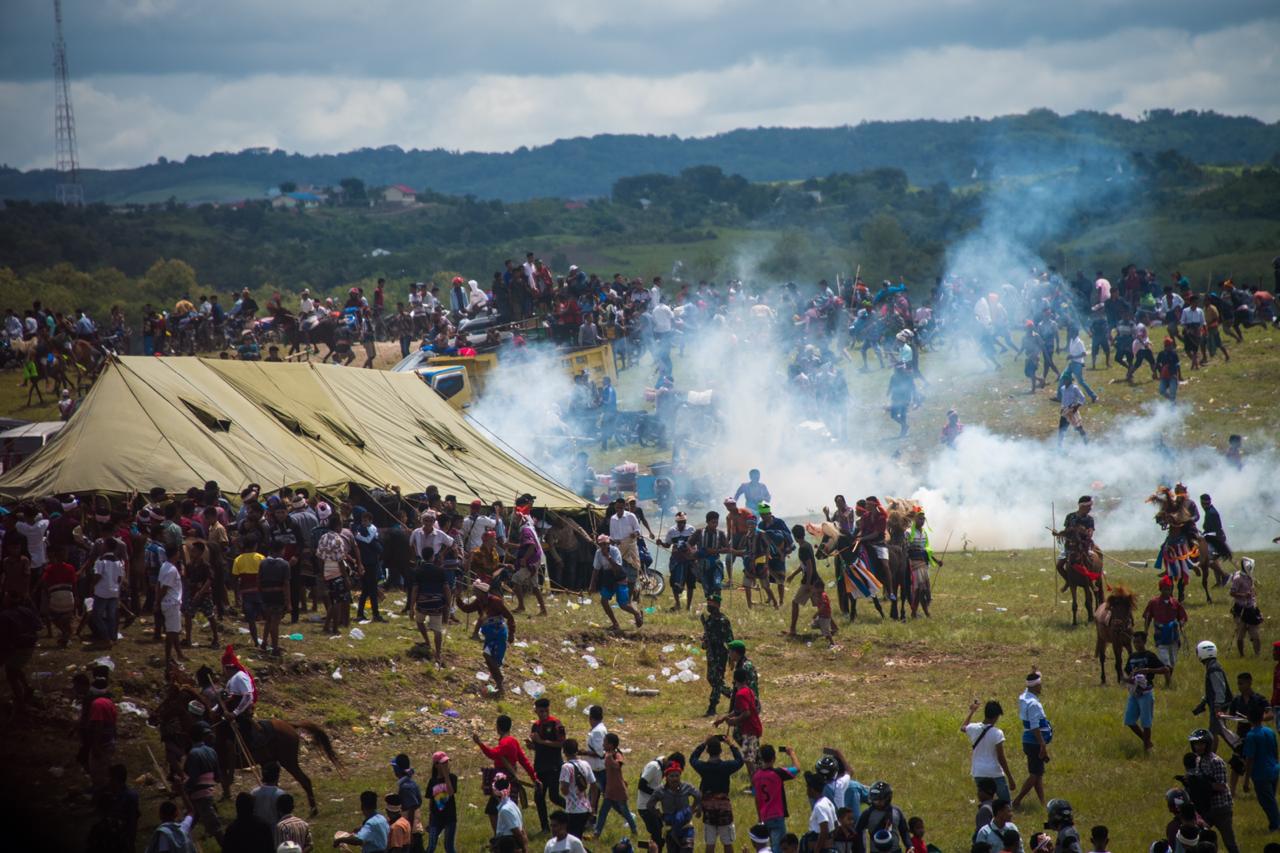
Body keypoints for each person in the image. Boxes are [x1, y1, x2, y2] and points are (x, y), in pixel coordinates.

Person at [471, 715, 539, 832]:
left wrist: (479, 743)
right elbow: (524, 761)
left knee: (493, 810)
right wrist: (534, 777)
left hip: (503, 781)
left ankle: (500, 836)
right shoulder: (513, 741)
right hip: (510, 778)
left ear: (498, 727)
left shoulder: (505, 742)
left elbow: (492, 754)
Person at [456, 580, 516, 694]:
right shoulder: (479, 602)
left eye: (476, 592)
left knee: (489, 656)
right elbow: (466, 609)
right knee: (489, 660)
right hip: (489, 634)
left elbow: (510, 617)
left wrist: (512, 633)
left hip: (499, 633)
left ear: (482, 593)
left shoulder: (496, 601)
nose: (475, 594)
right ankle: (499, 685)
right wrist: (458, 598)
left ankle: (500, 681)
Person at [1187, 729, 1239, 853]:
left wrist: (1203, 783)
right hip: (1206, 808)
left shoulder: (1216, 762)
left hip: (1221, 809)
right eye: (1195, 744)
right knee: (1199, 840)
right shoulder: (1198, 760)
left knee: (1229, 842)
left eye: (1201, 744)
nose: (1198, 747)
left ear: (1208, 744)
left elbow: (1222, 786)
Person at [690, 734, 744, 853]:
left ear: (708, 751)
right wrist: (731, 745)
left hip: (708, 808)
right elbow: (740, 761)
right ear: (720, 751)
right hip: (724, 808)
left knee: (710, 844)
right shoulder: (726, 766)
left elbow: (692, 759)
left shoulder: (703, 767)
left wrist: (704, 743)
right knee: (727, 843)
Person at [1122, 631, 1170, 752]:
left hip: (1146, 693)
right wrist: (1127, 679)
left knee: (1146, 722)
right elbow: (1127, 672)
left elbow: (1164, 669)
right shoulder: (1132, 657)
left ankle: (1146, 749)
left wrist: (1148, 670)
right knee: (1129, 721)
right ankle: (1147, 741)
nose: (1136, 645)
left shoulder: (1149, 655)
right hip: (1134, 693)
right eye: (1134, 642)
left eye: (1138, 642)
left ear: (1144, 642)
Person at [962, 699, 1017, 803]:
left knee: (985, 803)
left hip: (979, 772)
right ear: (996, 716)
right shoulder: (997, 733)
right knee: (1005, 803)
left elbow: (963, 727)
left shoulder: (973, 728)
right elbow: (1001, 757)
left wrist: (972, 711)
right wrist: (1010, 777)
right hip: (995, 772)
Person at [1012, 670, 1051, 809]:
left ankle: (1042, 803)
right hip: (1035, 742)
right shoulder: (1034, 704)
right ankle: (1017, 801)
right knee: (1035, 775)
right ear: (1035, 687)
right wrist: (1042, 745)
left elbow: (1030, 682)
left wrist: (1035, 672)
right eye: (1040, 684)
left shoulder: (1024, 697)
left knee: (1038, 774)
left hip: (1028, 741)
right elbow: (1035, 727)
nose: (1041, 687)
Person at [714, 667, 763, 780]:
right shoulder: (748, 690)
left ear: (735, 680)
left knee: (749, 759)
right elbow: (737, 710)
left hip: (749, 729)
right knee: (751, 756)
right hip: (754, 727)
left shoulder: (740, 694)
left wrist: (734, 721)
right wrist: (723, 719)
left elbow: (746, 713)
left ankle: (755, 783)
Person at [530, 697, 568, 834]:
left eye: (545, 710)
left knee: (554, 796)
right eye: (540, 711)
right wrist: (533, 745)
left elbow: (562, 743)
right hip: (540, 766)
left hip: (554, 766)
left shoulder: (556, 724)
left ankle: (576, 814)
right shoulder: (535, 725)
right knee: (539, 797)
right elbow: (538, 745)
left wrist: (542, 741)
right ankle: (545, 827)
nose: (542, 713)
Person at [590, 535, 643, 632]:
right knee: (604, 601)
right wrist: (592, 585)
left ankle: (637, 613)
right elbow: (596, 570)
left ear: (609, 543)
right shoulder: (598, 553)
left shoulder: (615, 551)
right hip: (608, 577)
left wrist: (608, 557)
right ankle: (615, 623)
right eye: (601, 545)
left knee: (623, 604)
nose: (603, 547)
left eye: (605, 544)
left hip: (619, 577)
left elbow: (618, 568)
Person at [1241, 704, 1280, 831]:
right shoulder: (1270, 731)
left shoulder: (1251, 736)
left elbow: (1250, 759)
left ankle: (1276, 824)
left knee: (1267, 802)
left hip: (1261, 774)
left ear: (1249, 718)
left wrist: (1246, 780)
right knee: (1271, 799)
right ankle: (1273, 823)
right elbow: (1275, 750)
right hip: (1274, 769)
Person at [183, 722, 223, 844]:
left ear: (190, 738)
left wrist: (183, 788)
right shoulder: (212, 751)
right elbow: (218, 777)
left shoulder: (193, 754)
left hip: (199, 796)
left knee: (216, 829)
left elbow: (193, 779)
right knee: (187, 824)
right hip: (208, 794)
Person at [751, 744, 797, 850]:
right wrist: (791, 753)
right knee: (778, 848)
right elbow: (797, 768)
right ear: (774, 758)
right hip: (777, 816)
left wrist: (759, 817)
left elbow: (757, 798)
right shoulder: (777, 773)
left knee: (768, 847)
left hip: (764, 816)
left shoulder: (756, 776)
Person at [1143, 578, 1187, 686]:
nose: (1167, 591)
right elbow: (1147, 617)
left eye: (1169, 589)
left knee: (1172, 662)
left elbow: (1183, 616)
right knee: (1165, 662)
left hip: (1174, 637)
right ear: (1160, 589)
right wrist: (1146, 631)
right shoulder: (1153, 603)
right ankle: (1168, 683)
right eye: (1165, 589)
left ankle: (1168, 679)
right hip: (1160, 637)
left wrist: (1181, 623)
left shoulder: (1175, 603)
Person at [593, 732, 637, 838]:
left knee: (625, 811)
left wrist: (609, 758)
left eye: (605, 742)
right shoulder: (608, 755)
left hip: (618, 789)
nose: (603, 745)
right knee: (603, 812)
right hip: (610, 789)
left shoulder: (616, 755)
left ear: (611, 745)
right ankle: (596, 834)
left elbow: (617, 766)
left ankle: (634, 830)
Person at [652, 761, 701, 853]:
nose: (675, 778)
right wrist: (659, 814)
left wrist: (693, 808)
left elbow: (698, 796)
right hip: (670, 828)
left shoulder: (687, 787)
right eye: (672, 776)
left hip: (686, 827)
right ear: (666, 777)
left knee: (687, 850)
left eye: (677, 776)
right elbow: (650, 805)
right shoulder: (660, 791)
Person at [1193, 641, 1233, 748]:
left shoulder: (1213, 669)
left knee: (1215, 732)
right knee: (1218, 731)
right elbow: (1212, 689)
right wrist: (1204, 701)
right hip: (1217, 705)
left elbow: (1219, 689)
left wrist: (1217, 706)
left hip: (1218, 706)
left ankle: (1238, 749)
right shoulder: (1212, 667)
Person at [700, 593, 734, 716]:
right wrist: (704, 641)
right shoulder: (708, 619)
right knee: (711, 678)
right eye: (708, 603)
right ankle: (732, 695)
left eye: (712, 604)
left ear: (718, 605)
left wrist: (732, 656)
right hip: (711, 652)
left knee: (717, 679)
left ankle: (712, 706)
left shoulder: (723, 620)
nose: (710, 606)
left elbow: (730, 639)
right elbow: (706, 634)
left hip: (720, 653)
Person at [557, 739, 596, 839]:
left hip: (573, 810)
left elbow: (564, 790)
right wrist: (592, 805)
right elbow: (594, 785)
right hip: (586, 808)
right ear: (577, 750)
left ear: (564, 751)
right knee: (577, 837)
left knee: (571, 839)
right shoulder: (586, 764)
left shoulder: (566, 767)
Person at [852, 782, 909, 850]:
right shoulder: (867, 813)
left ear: (888, 798)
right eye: (874, 800)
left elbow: (904, 831)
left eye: (880, 800)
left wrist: (909, 846)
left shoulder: (896, 811)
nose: (876, 803)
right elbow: (858, 832)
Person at [658, 512, 697, 611]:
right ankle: (678, 604)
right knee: (674, 582)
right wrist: (661, 543)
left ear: (685, 521)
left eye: (683, 522)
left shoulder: (691, 529)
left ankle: (688, 606)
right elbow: (667, 544)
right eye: (679, 522)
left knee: (690, 582)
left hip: (689, 559)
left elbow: (696, 543)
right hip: (676, 560)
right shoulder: (672, 531)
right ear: (676, 522)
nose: (681, 524)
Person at [157, 544, 185, 669]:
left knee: (174, 630)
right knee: (171, 633)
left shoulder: (164, 566)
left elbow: (158, 584)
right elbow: (164, 588)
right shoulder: (172, 570)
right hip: (171, 603)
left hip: (170, 602)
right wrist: (157, 602)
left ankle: (179, 653)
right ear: (175, 554)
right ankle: (168, 658)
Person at [1227, 559, 1262, 657]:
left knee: (1255, 635)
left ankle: (1257, 655)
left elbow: (1252, 590)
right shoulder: (1237, 578)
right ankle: (1241, 655)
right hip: (1240, 609)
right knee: (1240, 635)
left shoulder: (1250, 577)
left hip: (1251, 609)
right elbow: (1232, 593)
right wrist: (1243, 595)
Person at [492, 774, 528, 852]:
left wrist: (524, 849)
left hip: (508, 845)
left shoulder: (505, 810)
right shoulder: (512, 805)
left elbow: (517, 832)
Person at [803, 771, 837, 853]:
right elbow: (836, 825)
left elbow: (824, 830)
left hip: (821, 849)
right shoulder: (827, 801)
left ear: (812, 789)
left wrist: (817, 850)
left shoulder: (819, 806)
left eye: (807, 787)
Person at [1057, 371, 1088, 448]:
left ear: (1070, 380)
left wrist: (1076, 407)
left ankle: (1086, 442)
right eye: (1064, 380)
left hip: (1072, 411)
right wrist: (1062, 407)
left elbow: (1083, 398)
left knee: (1078, 427)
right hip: (1065, 411)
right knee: (1061, 429)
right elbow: (1064, 399)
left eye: (1066, 379)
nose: (1064, 381)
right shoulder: (1062, 388)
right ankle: (1059, 446)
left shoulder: (1074, 388)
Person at [251, 761, 285, 826]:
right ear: (277, 776)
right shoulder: (281, 794)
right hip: (275, 832)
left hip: (258, 831)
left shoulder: (253, 793)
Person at [1156, 337, 1182, 403]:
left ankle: (1173, 407)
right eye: (1170, 345)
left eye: (1171, 345)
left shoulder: (1174, 354)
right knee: (1162, 390)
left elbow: (1178, 365)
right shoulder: (1161, 354)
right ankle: (1172, 400)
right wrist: (1155, 373)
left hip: (1173, 376)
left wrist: (1180, 375)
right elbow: (1157, 364)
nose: (1171, 346)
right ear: (1166, 346)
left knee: (1173, 392)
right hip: (1164, 376)